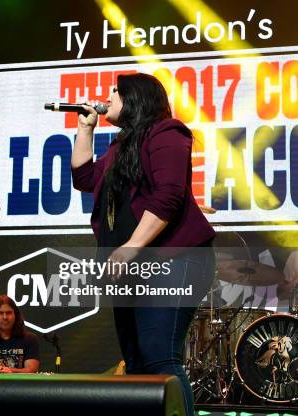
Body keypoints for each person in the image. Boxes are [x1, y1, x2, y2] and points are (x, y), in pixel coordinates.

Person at [70, 73, 215, 415]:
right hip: (134, 269)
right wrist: (86, 129)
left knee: (160, 356)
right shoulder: (120, 146)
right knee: (135, 363)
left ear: (135, 98)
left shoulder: (168, 132)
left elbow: (169, 196)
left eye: (115, 91)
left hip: (175, 259)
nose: (107, 96)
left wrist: (133, 245)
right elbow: (83, 178)